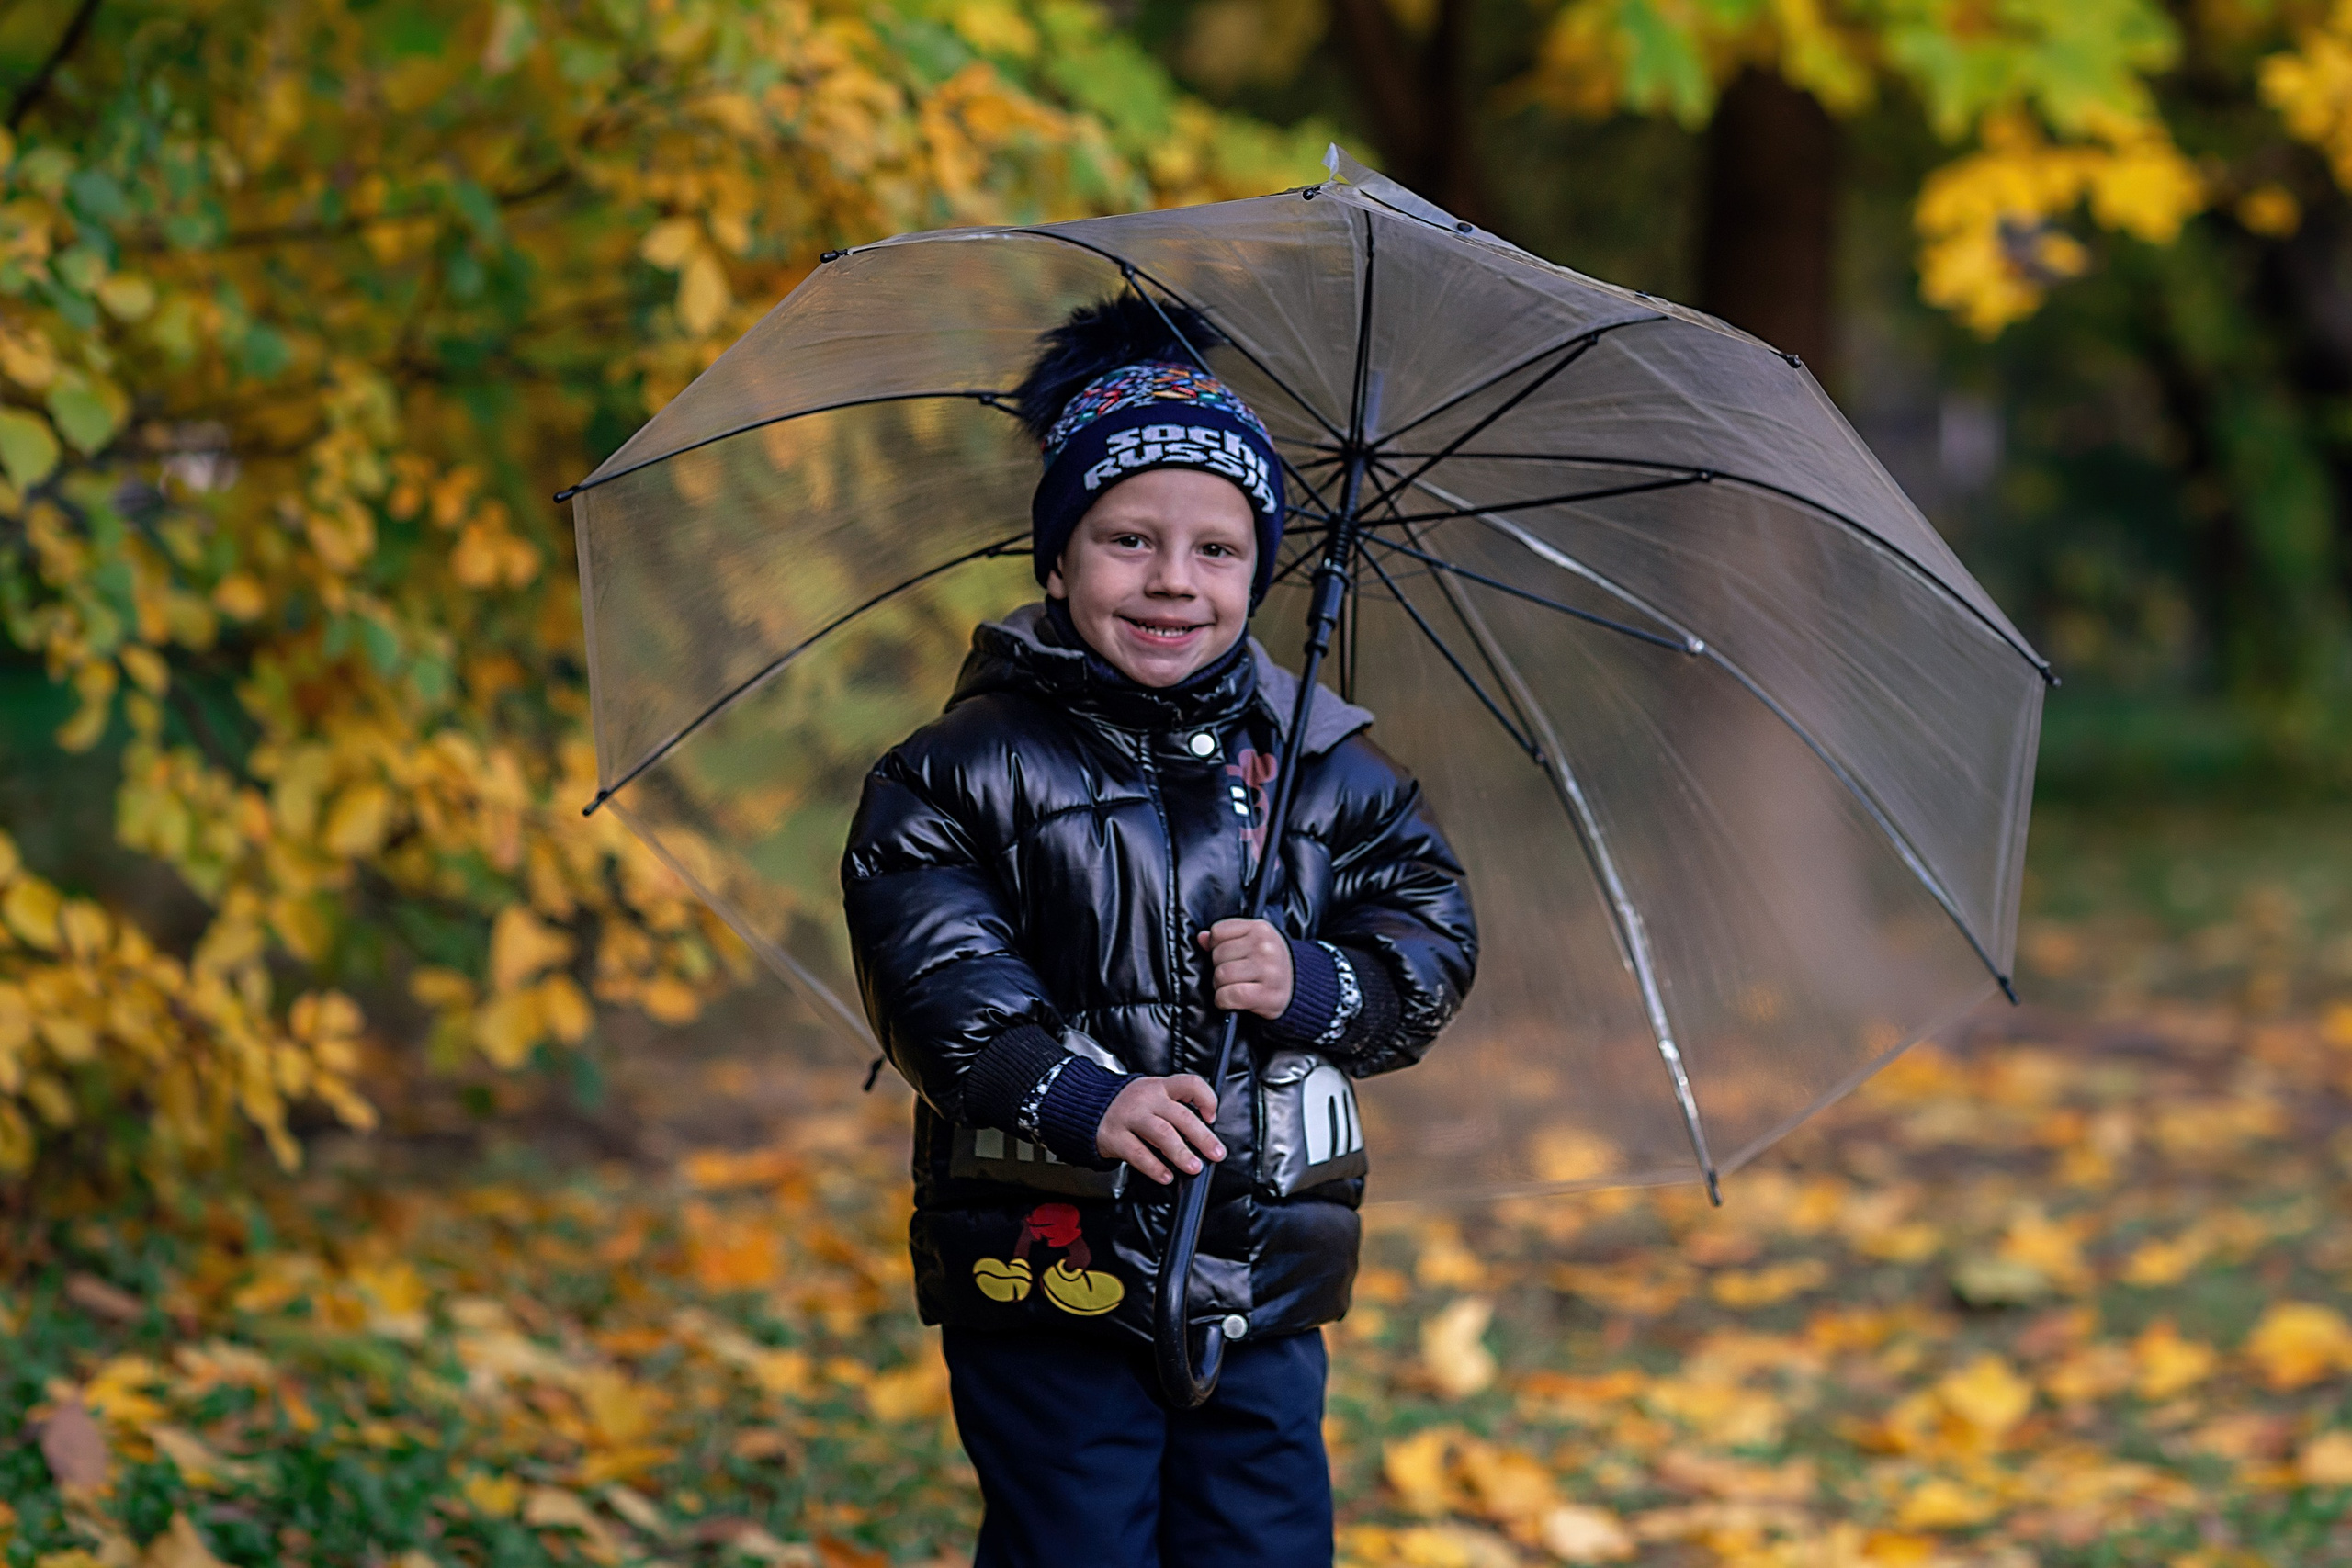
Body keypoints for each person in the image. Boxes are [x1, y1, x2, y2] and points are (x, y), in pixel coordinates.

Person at [841, 296, 1477, 1568]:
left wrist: (1312, 983)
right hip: (1046, 1259)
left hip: (1261, 1266)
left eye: (1217, 549)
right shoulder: (965, 769)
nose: (1173, 579)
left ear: (1262, 571)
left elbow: (1429, 937)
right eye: (1128, 539)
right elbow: (936, 977)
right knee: (1073, 1539)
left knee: (1264, 1541)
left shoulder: (1325, 769)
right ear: (1057, 561)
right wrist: (1084, 1097)